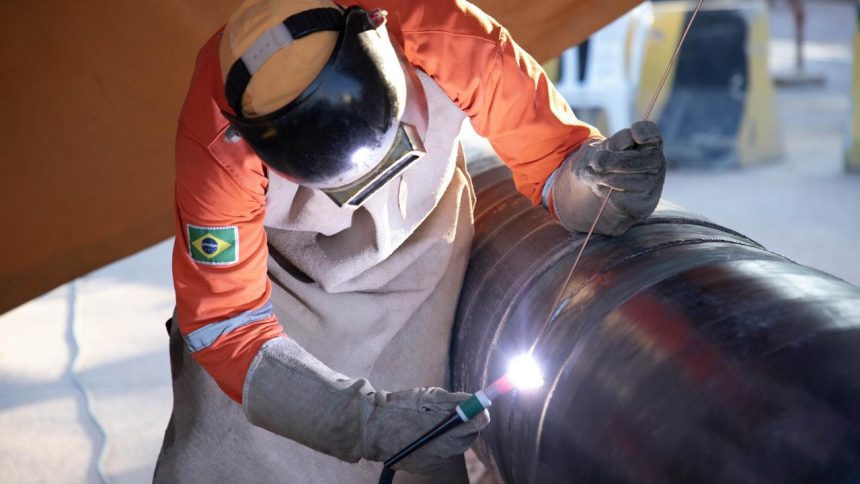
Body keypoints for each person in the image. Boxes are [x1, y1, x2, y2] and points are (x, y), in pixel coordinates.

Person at [154, 0, 666, 482]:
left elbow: (555, 159)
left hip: (416, 279)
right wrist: (360, 421)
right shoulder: (219, 141)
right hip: (280, 309)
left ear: (376, 41)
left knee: (421, 452)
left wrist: (603, 187)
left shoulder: (436, 29)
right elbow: (227, 324)